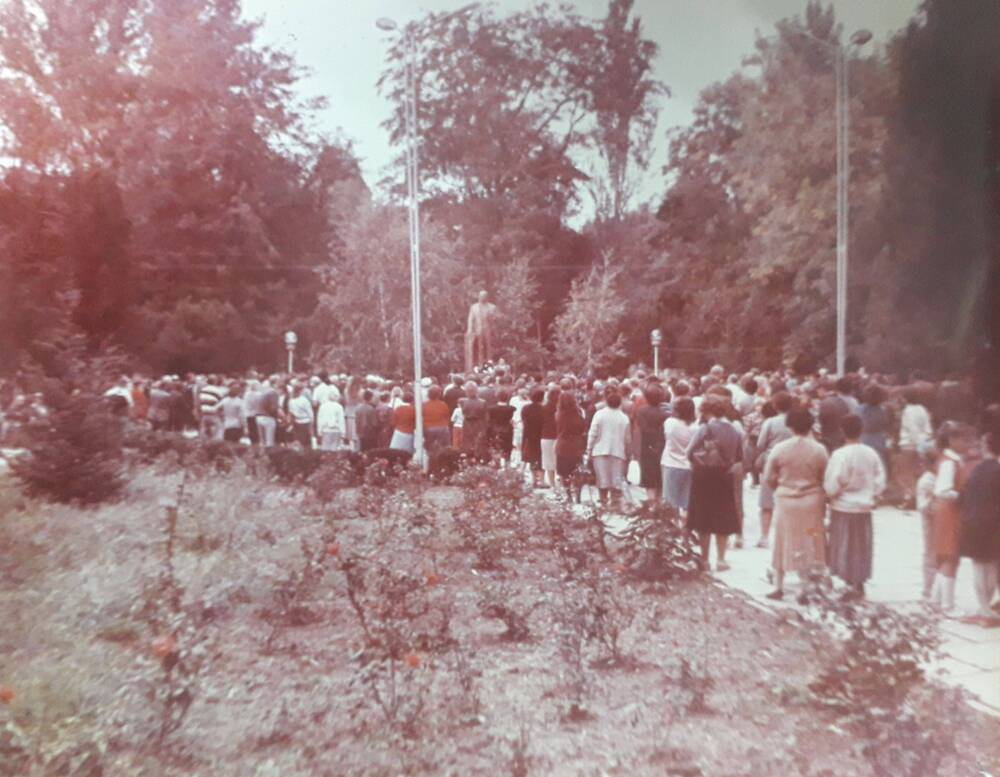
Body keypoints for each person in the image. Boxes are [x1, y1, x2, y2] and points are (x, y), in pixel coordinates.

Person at [763, 406, 829, 600]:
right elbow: (825, 476)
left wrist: (780, 488)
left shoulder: (780, 449)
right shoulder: (819, 449)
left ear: (790, 426)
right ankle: (804, 586)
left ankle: (778, 585)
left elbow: (768, 477)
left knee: (782, 540)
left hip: (786, 500)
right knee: (810, 540)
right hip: (811, 500)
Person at [824, 414, 886, 598]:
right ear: (862, 430)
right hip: (864, 505)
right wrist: (872, 494)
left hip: (843, 505)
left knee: (844, 544)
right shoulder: (871, 453)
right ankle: (859, 582)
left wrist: (830, 494)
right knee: (861, 546)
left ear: (842, 431)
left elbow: (835, 480)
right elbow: (880, 479)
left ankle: (848, 582)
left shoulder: (840, 455)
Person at [685, 397, 744, 571]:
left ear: (707, 411)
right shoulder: (734, 430)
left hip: (703, 476)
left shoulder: (705, 428)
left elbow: (689, 451)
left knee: (704, 518)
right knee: (722, 517)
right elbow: (739, 456)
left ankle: (704, 559)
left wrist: (697, 462)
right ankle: (721, 559)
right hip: (724, 474)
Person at [929, 422, 977, 613]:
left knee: (946, 557)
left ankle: (936, 599)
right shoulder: (950, 463)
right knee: (951, 556)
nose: (968, 444)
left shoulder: (952, 460)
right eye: (965, 440)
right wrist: (963, 495)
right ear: (952, 440)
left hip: (948, 512)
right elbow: (942, 490)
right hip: (950, 512)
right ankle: (947, 605)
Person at [958, 431, 1000, 623]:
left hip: (972, 521)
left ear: (986, 447)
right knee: (991, 565)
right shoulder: (997, 470)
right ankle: (986, 609)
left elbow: (963, 496)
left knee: (977, 566)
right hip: (993, 523)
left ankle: (982, 607)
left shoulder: (976, 469)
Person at [755, 391, 796, 547]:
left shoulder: (770, 422)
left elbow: (760, 444)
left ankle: (764, 536)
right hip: (791, 461)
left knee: (767, 501)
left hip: (771, 461)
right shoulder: (795, 421)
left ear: (775, 405)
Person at [586, 390, 631, 509]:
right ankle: (615, 504)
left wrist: (589, 448)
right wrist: (627, 452)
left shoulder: (599, 414)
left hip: (600, 450)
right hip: (618, 451)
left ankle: (603, 502)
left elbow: (593, 433)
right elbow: (627, 438)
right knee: (616, 478)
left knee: (602, 478)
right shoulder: (624, 418)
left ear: (606, 402)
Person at [896, 387, 934, 509]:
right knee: (919, 472)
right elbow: (928, 428)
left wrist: (917, 443)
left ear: (906, 398)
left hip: (909, 444)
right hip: (923, 442)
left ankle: (910, 497)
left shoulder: (907, 411)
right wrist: (925, 441)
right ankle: (918, 497)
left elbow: (912, 429)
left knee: (907, 473)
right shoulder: (922, 409)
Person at [662, 396, 696, 513]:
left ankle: (673, 527)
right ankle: (685, 526)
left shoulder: (670, 423)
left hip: (671, 463)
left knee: (671, 501)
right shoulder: (695, 428)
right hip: (689, 465)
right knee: (686, 502)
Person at [636, 383, 669, 502]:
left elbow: (643, 429)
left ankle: (651, 504)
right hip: (662, 446)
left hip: (647, 447)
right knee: (660, 477)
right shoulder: (666, 414)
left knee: (649, 478)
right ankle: (659, 503)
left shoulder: (641, 412)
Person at [555, 391, 587, 502]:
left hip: (563, 444)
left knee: (564, 473)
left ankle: (568, 494)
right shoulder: (579, 413)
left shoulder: (558, 415)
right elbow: (583, 428)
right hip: (577, 445)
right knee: (577, 471)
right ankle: (578, 495)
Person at [916, 450, 938, 599]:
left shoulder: (939, 477)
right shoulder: (926, 481)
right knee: (930, 554)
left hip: (941, 521)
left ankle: (934, 589)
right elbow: (923, 506)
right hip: (931, 522)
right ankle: (927, 588)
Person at [521, 386, 545, 487]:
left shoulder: (526, 408)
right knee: (541, 457)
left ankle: (534, 480)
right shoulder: (544, 409)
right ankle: (542, 480)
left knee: (531, 456)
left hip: (529, 435)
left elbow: (523, 420)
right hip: (541, 434)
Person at [459, 382, 488, 461]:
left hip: (467, 424)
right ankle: (478, 457)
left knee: (468, 442)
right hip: (479, 423)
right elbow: (485, 416)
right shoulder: (483, 402)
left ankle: (469, 458)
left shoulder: (463, 402)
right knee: (478, 441)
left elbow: (463, 412)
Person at [486, 387, 516, 464]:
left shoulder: (491, 409)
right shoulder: (511, 409)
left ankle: (497, 464)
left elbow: (490, 421)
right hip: (507, 430)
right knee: (507, 449)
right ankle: (507, 465)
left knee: (496, 449)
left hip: (495, 430)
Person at [540, 386, 561, 489]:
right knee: (560, 461)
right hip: (559, 436)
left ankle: (552, 485)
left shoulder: (543, 408)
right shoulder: (561, 408)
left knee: (549, 462)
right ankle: (560, 484)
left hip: (546, 435)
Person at [422, 385, 452, 456]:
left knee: (429, 448)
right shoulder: (443, 405)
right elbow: (447, 416)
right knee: (444, 448)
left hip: (429, 429)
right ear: (439, 394)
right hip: (442, 428)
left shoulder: (424, 405)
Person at [197, 376, 226, 441]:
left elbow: (199, 402)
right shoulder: (218, 390)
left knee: (204, 430)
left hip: (204, 413)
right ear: (215, 381)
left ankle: (203, 444)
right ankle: (216, 445)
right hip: (213, 413)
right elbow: (221, 404)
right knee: (219, 430)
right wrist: (222, 415)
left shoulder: (203, 390)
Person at [287, 383, 314, 449]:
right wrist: (312, 425)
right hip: (305, 422)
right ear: (300, 391)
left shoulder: (291, 401)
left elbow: (291, 413)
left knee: (299, 441)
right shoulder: (304, 400)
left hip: (297, 422)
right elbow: (310, 414)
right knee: (307, 443)